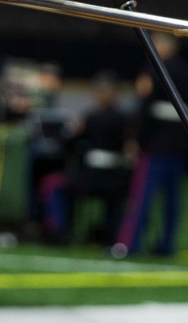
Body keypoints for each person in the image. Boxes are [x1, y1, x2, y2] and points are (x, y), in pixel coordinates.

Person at [113, 31, 188, 257]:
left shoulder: (153, 70)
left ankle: (129, 244)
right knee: (172, 201)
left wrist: (135, 138)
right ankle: (167, 245)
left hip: (155, 144)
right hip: (181, 144)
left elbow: (144, 108)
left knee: (141, 196)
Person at [38, 69, 132, 246]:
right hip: (116, 179)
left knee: (53, 184)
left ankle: (60, 232)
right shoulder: (125, 118)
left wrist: (74, 129)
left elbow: (67, 144)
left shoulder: (92, 117)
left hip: (91, 178)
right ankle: (109, 236)